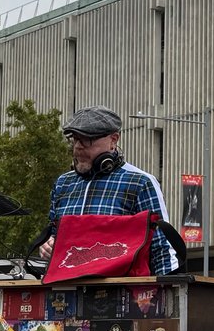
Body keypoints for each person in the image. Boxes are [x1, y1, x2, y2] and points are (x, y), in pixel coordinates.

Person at [39, 106, 179, 275]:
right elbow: (54, 235)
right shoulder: (63, 183)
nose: (78, 147)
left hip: (119, 293)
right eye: (75, 139)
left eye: (87, 140)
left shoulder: (140, 182)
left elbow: (161, 247)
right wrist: (48, 246)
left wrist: (166, 294)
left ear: (113, 140)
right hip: (66, 292)